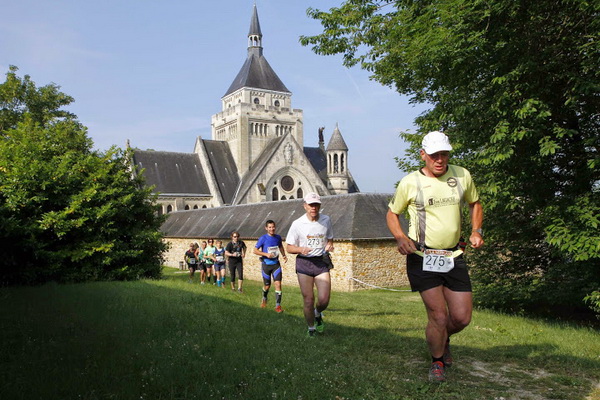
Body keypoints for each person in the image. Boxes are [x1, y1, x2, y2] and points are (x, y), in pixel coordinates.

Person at [386, 130, 484, 382]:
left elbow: (475, 203)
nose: (440, 159)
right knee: (438, 315)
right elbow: (392, 214)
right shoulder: (410, 182)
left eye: (444, 154)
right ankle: (437, 361)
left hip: (454, 255)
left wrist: (476, 230)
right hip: (422, 256)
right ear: (423, 155)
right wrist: (400, 237)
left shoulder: (462, 175)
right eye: (434, 155)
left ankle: (442, 338)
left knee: (461, 318)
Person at [286, 193, 334, 337]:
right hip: (304, 262)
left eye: (316, 205)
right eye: (311, 205)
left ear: (320, 205)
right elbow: (289, 247)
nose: (314, 208)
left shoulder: (326, 220)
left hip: (320, 262)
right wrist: (301, 249)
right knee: (308, 299)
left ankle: (317, 313)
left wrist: (330, 246)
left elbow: (330, 239)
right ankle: (311, 329)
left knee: (324, 299)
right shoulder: (297, 224)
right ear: (305, 206)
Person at [254, 220, 288, 313]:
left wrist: (284, 255)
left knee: (278, 284)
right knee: (267, 286)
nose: (271, 229)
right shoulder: (263, 238)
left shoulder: (278, 237)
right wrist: (266, 254)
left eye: (273, 227)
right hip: (266, 265)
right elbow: (255, 250)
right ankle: (264, 298)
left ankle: (278, 306)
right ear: (266, 228)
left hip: (276, 264)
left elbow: (280, 246)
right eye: (269, 227)